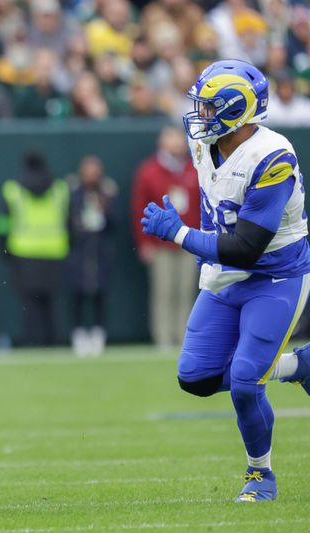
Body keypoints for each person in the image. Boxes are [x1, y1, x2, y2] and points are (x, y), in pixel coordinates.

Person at [141, 59, 310, 502]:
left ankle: (261, 476)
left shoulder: (273, 157)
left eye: (209, 106)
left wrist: (178, 233)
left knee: (244, 383)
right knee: (194, 378)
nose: (200, 115)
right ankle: (299, 366)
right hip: (223, 276)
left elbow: (247, 247)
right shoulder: (206, 144)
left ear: (235, 111)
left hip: (275, 276)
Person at [131, 125, 200, 349]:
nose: (177, 145)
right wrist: (144, 243)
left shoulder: (193, 169)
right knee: (163, 292)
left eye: (179, 140)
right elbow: (139, 208)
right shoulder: (149, 171)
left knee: (185, 291)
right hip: (160, 244)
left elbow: (201, 208)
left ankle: (183, 337)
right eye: (172, 140)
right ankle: (163, 339)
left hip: (188, 242)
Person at [0, 152, 69, 346]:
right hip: (54, 251)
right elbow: (70, 223)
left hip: (23, 252)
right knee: (52, 304)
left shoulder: (13, 189)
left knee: (30, 304)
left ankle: (34, 343)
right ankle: (54, 343)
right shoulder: (60, 189)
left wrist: (3, 248)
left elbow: (2, 223)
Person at [66, 155, 117, 357]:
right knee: (77, 292)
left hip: (100, 248)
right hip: (79, 248)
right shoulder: (73, 192)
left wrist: (105, 206)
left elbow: (115, 224)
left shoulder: (107, 192)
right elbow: (68, 221)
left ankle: (98, 334)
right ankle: (78, 334)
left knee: (100, 292)